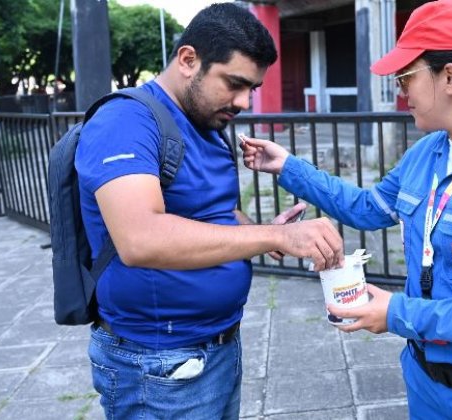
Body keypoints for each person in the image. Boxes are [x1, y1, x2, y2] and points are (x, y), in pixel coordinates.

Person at [242, 1, 452, 417]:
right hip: (427, 381)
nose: (401, 90)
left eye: (407, 77)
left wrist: (396, 312)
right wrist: (289, 167)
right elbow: (369, 208)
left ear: (450, 77)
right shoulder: (428, 152)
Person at [75, 4, 344, 419]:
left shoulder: (204, 121)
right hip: (158, 364)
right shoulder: (125, 121)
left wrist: (259, 232)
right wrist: (274, 237)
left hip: (214, 348)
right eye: (235, 83)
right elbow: (140, 237)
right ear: (188, 59)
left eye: (252, 87)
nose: (244, 101)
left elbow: (212, 213)